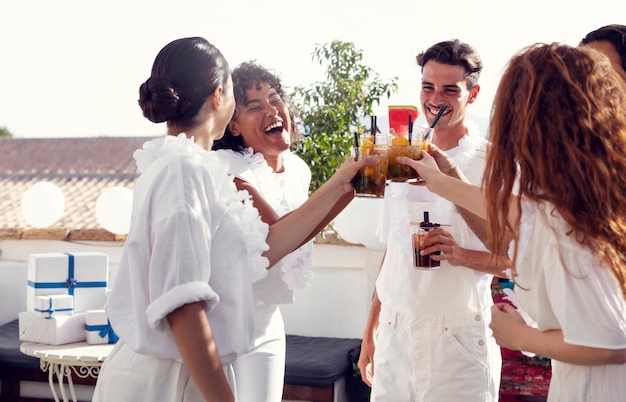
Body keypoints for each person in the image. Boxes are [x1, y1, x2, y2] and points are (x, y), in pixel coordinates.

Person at [92, 37, 376, 402]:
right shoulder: (183, 170)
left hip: (188, 375)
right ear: (218, 97)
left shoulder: (192, 167)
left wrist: (345, 181)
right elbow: (183, 305)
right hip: (165, 381)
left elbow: (267, 247)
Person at [402, 42, 626, 401]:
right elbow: (520, 212)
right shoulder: (581, 198)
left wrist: (521, 337)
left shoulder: (570, 215)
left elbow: (613, 345)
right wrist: (445, 179)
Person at [357, 39, 503, 402]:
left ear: (473, 94)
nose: (435, 99)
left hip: (457, 339)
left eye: (450, 90)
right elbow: (393, 251)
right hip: (395, 333)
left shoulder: (495, 164)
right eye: (428, 86)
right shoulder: (397, 157)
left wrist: (462, 254)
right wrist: (371, 329)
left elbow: (518, 257)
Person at [213, 61, 345, 402]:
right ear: (234, 125)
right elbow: (281, 235)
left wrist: (358, 182)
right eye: (255, 107)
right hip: (222, 325)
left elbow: (309, 225)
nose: (271, 110)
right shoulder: (228, 166)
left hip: (268, 322)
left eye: (275, 99)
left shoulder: (298, 169)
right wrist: (345, 178)